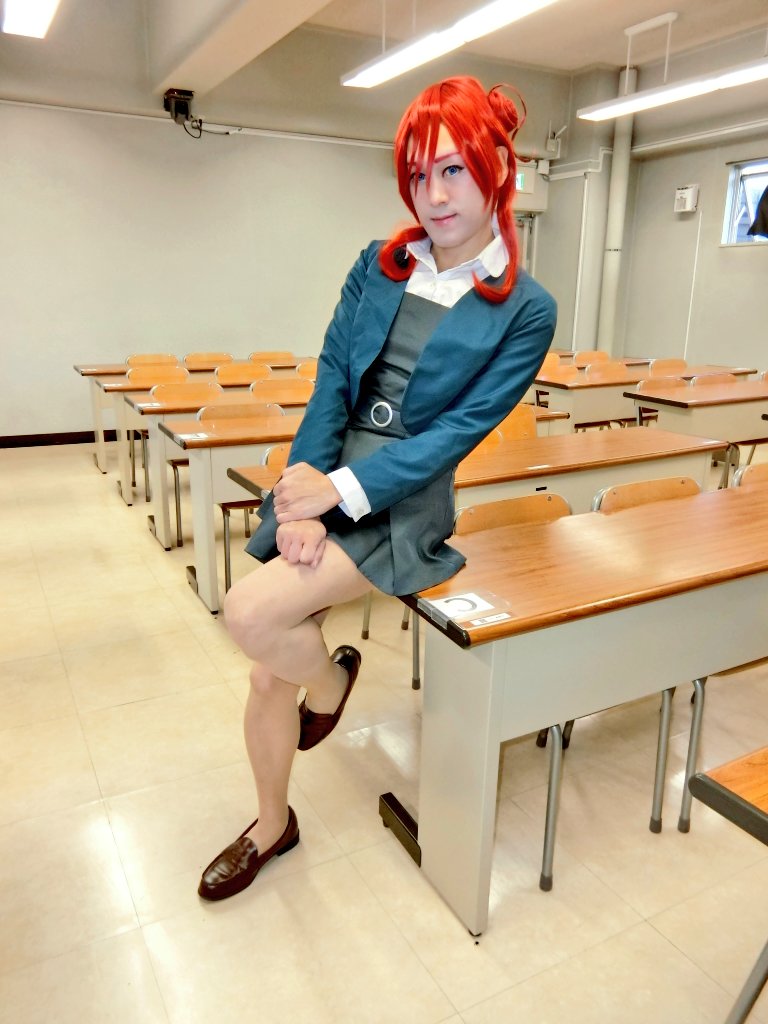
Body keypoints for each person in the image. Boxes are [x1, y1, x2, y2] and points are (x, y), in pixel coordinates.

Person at [198, 75, 557, 901]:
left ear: (498, 169)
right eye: (420, 175)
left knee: (249, 614)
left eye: (454, 170)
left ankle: (330, 684)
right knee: (267, 671)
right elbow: (332, 380)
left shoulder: (527, 309)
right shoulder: (377, 264)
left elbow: (453, 435)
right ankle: (272, 822)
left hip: (403, 496)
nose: (435, 195)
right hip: (325, 473)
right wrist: (302, 492)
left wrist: (340, 495)